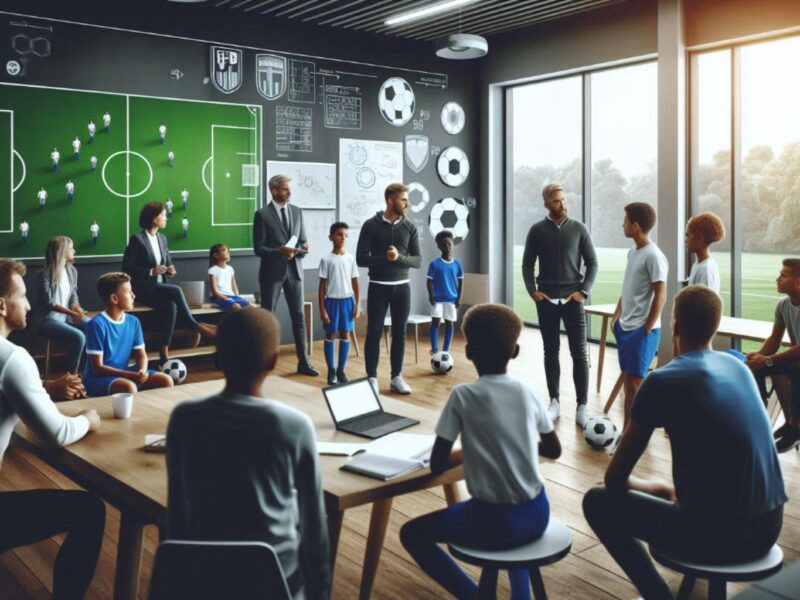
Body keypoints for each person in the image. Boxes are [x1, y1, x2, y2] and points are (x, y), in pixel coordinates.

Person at [583, 285, 787, 600]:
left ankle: (657, 596)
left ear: (675, 326)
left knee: (597, 501)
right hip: (770, 525)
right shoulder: (739, 368)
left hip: (714, 536)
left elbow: (615, 478)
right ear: (715, 328)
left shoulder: (661, 381)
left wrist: (659, 489)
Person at [166, 308, 330, 600]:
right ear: (274, 360)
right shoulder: (295, 425)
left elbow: (178, 512)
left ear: (217, 360)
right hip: (277, 579)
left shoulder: (184, 419)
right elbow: (313, 524)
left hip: (202, 577)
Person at [400, 304, 561, 599]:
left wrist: (472, 451)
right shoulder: (528, 391)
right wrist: (513, 444)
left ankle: (474, 595)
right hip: (538, 511)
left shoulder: (463, 396)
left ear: (469, 352)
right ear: (515, 352)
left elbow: (437, 464)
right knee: (515, 541)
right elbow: (553, 450)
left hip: (493, 520)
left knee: (411, 533)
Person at [0, 259, 105, 600]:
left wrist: (44, 386)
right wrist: (89, 418)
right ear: (1, 305)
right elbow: (56, 434)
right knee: (90, 510)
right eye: (22, 296)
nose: (29, 304)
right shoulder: (12, 358)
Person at [521, 183, 598, 427]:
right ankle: (554, 402)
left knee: (580, 353)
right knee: (550, 351)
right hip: (546, 302)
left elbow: (592, 263)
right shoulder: (536, 230)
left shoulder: (579, 229)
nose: (562, 204)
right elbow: (526, 265)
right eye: (556, 201)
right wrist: (532, 291)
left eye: (564, 199)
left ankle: (582, 406)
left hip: (572, 301)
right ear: (546, 204)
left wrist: (583, 292)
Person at [122, 202, 216, 363]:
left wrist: (171, 269)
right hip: (145, 289)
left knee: (171, 306)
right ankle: (193, 324)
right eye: (163, 215)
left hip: (160, 288)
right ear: (154, 218)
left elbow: (168, 262)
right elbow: (127, 268)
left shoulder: (162, 239)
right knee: (176, 290)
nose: (166, 218)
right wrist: (151, 271)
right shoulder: (137, 239)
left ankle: (164, 350)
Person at [356, 183, 421, 394]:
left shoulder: (410, 227)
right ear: (390, 200)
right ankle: (371, 378)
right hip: (378, 287)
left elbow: (418, 260)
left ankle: (396, 377)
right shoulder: (370, 225)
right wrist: (385, 258)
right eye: (403, 199)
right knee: (374, 332)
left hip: (402, 288)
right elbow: (361, 259)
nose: (407, 203)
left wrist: (399, 257)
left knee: (400, 333)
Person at [253, 174, 318, 376]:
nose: (289, 192)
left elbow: (302, 240)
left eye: (289, 189)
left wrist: (302, 248)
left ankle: (304, 362)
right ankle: (263, 362)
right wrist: (279, 252)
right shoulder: (262, 214)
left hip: (295, 271)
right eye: (285, 189)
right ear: (273, 191)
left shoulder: (297, 212)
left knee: (298, 317)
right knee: (268, 319)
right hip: (272, 273)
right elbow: (258, 248)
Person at [611, 202, 668, 425]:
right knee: (629, 386)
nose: (622, 224)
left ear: (635, 226)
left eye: (624, 221)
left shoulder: (654, 256)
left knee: (635, 386)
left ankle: (633, 436)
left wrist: (645, 329)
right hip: (625, 327)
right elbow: (627, 288)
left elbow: (660, 295)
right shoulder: (632, 253)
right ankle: (626, 432)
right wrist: (617, 317)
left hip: (641, 331)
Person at [83, 272, 173, 397]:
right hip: (99, 378)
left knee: (166, 380)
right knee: (129, 388)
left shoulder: (133, 321)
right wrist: (131, 376)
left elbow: (141, 355)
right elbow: (97, 369)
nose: (133, 296)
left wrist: (142, 370)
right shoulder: (96, 324)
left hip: (125, 373)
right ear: (114, 298)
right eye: (128, 292)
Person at [745, 258, 800, 452]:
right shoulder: (783, 305)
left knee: (794, 368)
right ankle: (763, 421)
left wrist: (768, 360)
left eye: (783, 275)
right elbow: (775, 339)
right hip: (796, 359)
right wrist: (757, 358)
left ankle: (794, 427)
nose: (777, 279)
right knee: (757, 368)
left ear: (798, 282)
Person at [32, 236, 88, 374]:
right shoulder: (44, 274)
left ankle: (87, 373)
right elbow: (49, 303)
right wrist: (72, 313)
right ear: (62, 251)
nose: (74, 250)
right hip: (46, 320)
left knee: (94, 326)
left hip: (66, 317)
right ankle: (72, 375)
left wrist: (77, 308)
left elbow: (73, 294)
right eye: (71, 248)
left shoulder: (72, 271)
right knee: (79, 337)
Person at [318, 222, 359, 385]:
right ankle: (331, 371)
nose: (342, 238)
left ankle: (341, 370)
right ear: (331, 237)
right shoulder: (326, 259)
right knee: (329, 334)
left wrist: (357, 304)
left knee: (345, 334)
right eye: (339, 234)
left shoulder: (350, 259)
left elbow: (355, 283)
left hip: (348, 301)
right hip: (331, 302)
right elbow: (322, 286)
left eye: (345, 235)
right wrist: (322, 308)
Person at [427, 230, 463, 358]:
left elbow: (460, 282)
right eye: (444, 245)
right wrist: (431, 296)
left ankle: (446, 350)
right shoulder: (434, 264)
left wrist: (459, 298)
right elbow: (429, 281)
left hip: (451, 300)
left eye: (449, 244)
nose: (447, 247)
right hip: (437, 299)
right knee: (435, 322)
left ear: (453, 245)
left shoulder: (457, 265)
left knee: (449, 323)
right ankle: (435, 350)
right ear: (439, 246)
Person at [685, 211, 725, 293]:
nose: (685, 240)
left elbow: (704, 303)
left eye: (688, 236)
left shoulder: (705, 269)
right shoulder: (698, 265)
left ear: (699, 238)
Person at [208, 243, 251, 312]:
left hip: (232, 296)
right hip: (217, 298)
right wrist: (226, 299)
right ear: (216, 255)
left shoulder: (230, 269)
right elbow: (215, 292)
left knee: (252, 307)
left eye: (227, 250)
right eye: (223, 250)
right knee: (236, 306)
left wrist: (237, 297)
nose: (227, 252)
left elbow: (234, 287)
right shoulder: (213, 270)